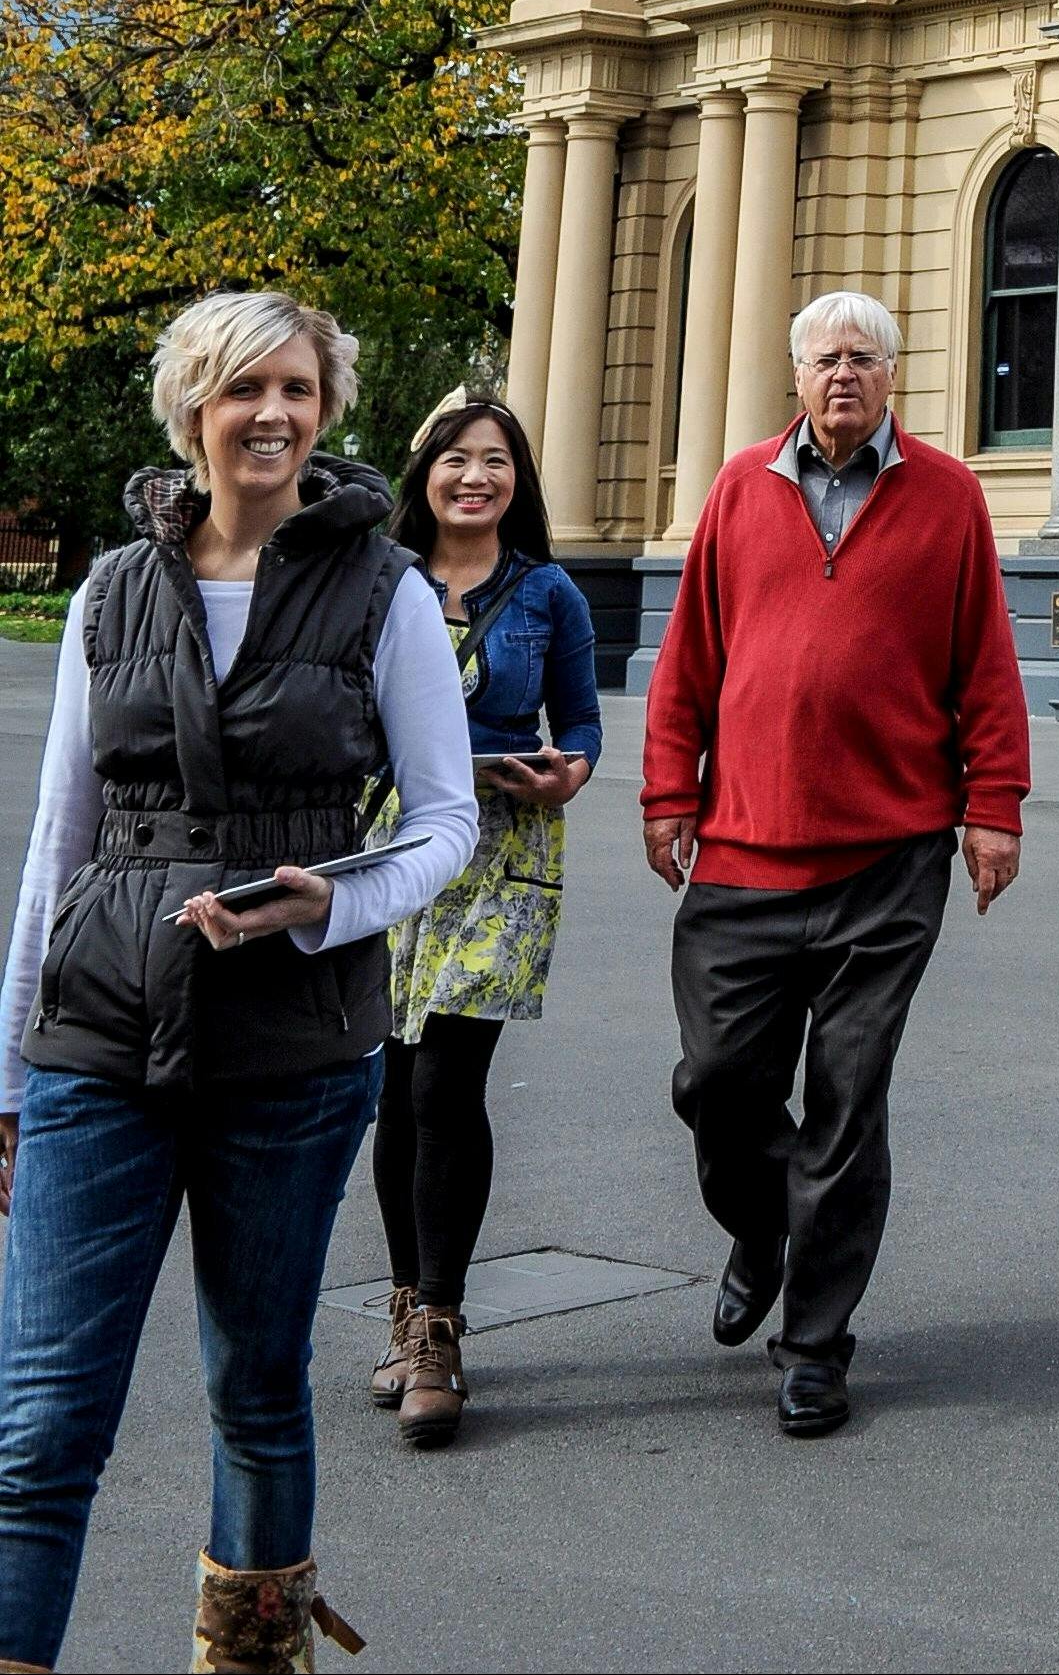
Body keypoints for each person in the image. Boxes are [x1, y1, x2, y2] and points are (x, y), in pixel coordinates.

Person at [0, 290, 476, 1675]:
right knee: (38, 1420)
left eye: (298, 386)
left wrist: (339, 897)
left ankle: (253, 1657)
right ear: (193, 408)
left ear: (324, 408)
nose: (272, 411)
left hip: (295, 1039)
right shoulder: (111, 588)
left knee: (256, 1389)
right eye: (241, 386)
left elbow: (446, 819)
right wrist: (10, 1070)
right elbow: (59, 840)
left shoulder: (385, 589)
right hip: (99, 1024)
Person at [641, 289, 1028, 1438]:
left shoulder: (950, 496)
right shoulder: (740, 487)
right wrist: (669, 788)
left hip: (888, 859)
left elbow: (986, 669)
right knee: (718, 1085)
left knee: (849, 1109)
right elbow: (689, 657)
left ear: (893, 375)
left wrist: (993, 808)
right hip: (744, 853)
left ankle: (814, 1342)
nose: (843, 374)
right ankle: (761, 1226)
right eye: (824, 359)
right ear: (795, 375)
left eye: (864, 357)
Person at [365, 389, 601, 1449]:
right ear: (423, 475)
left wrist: (570, 770)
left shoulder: (550, 590)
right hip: (384, 847)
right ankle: (406, 1303)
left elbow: (582, 717)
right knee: (395, 1085)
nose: (475, 476)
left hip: (500, 846)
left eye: (496, 461)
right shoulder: (374, 583)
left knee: (446, 1077)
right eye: (456, 459)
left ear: (519, 480)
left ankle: (441, 1327)